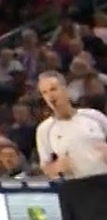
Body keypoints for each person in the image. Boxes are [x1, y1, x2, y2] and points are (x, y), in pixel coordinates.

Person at [35, 71, 107, 219]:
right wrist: (57, 167)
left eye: (53, 89)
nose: (50, 95)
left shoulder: (93, 116)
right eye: (44, 92)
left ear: (65, 89)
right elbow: (46, 167)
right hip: (75, 188)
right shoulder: (45, 129)